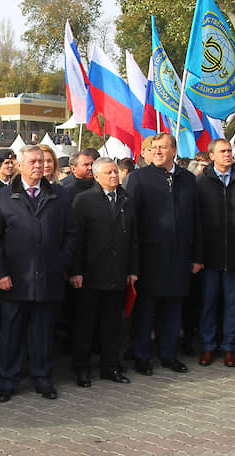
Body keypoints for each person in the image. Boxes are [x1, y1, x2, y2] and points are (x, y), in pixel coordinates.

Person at [0, 145, 77, 402]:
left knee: (43, 334)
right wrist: (0, 273)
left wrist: (61, 261)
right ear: (20, 165)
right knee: (11, 334)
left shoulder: (59, 195)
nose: (39, 166)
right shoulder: (3, 197)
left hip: (48, 278)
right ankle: (7, 381)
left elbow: (71, 233)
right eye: (33, 162)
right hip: (14, 280)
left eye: (42, 161)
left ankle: (43, 379)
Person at [125, 132, 203, 376]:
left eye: (162, 147)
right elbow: (131, 223)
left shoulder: (188, 179)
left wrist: (197, 256)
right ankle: (142, 356)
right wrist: (133, 264)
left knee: (173, 310)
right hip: (149, 258)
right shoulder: (139, 178)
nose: (157, 151)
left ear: (174, 151)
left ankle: (169, 355)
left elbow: (196, 220)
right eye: (154, 147)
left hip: (179, 257)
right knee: (146, 311)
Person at [71, 157, 137, 386]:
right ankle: (82, 368)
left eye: (115, 172)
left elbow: (133, 238)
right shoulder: (84, 200)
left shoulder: (127, 200)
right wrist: (76, 271)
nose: (113, 176)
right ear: (96, 176)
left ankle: (110, 367)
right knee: (86, 326)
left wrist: (132, 270)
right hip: (90, 274)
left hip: (117, 273)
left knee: (112, 325)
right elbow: (76, 240)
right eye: (108, 172)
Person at [195, 139, 235, 368]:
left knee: (233, 303)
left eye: (229, 151)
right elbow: (196, 223)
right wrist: (197, 256)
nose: (227, 155)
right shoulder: (201, 183)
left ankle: (229, 347)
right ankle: (208, 346)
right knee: (208, 302)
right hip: (210, 256)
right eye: (222, 151)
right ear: (212, 156)